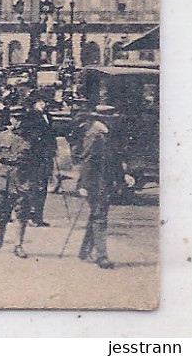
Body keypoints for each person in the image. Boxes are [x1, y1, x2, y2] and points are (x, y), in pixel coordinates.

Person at [0, 106, 42, 257]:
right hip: (3, 180)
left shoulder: (31, 138)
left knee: (21, 213)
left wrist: (38, 179)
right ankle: (0, 233)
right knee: (3, 212)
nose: (18, 122)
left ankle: (18, 245)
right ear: (11, 119)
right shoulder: (1, 136)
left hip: (22, 180)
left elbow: (37, 160)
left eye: (21, 119)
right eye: (16, 118)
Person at [73, 103, 118, 269]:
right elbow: (87, 161)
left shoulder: (105, 134)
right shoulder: (95, 136)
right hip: (94, 183)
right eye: (111, 117)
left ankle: (84, 251)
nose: (114, 120)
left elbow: (114, 159)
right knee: (100, 217)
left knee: (96, 215)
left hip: (104, 182)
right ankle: (101, 256)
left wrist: (123, 175)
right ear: (104, 119)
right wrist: (83, 185)